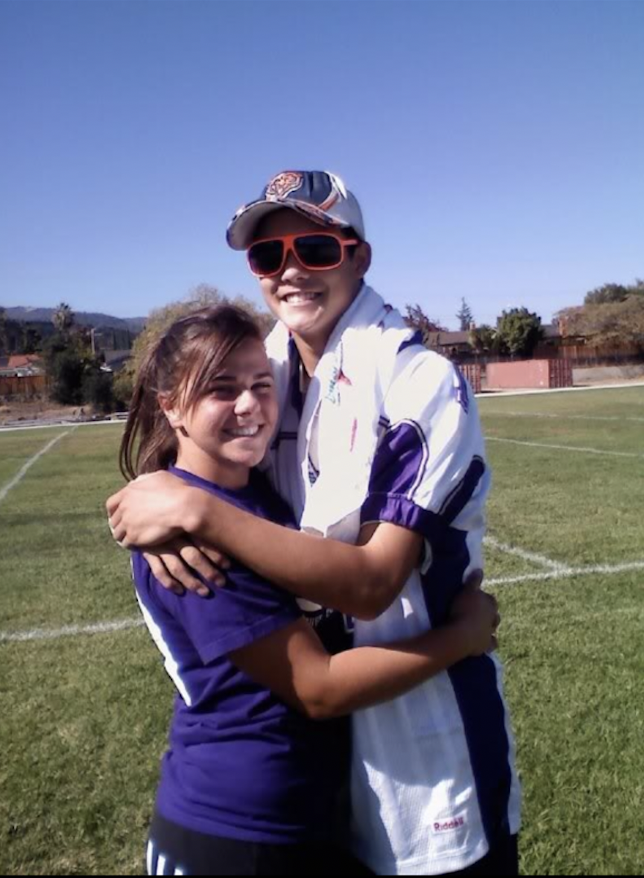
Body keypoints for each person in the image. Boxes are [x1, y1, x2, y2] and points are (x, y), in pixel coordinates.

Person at [108, 171, 521, 876]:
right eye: (268, 257)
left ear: (359, 256)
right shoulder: (264, 365)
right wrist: (157, 486)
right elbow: (194, 431)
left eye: (315, 250)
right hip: (322, 775)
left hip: (426, 743)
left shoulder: (417, 380)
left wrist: (197, 509)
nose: (290, 270)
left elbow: (371, 586)